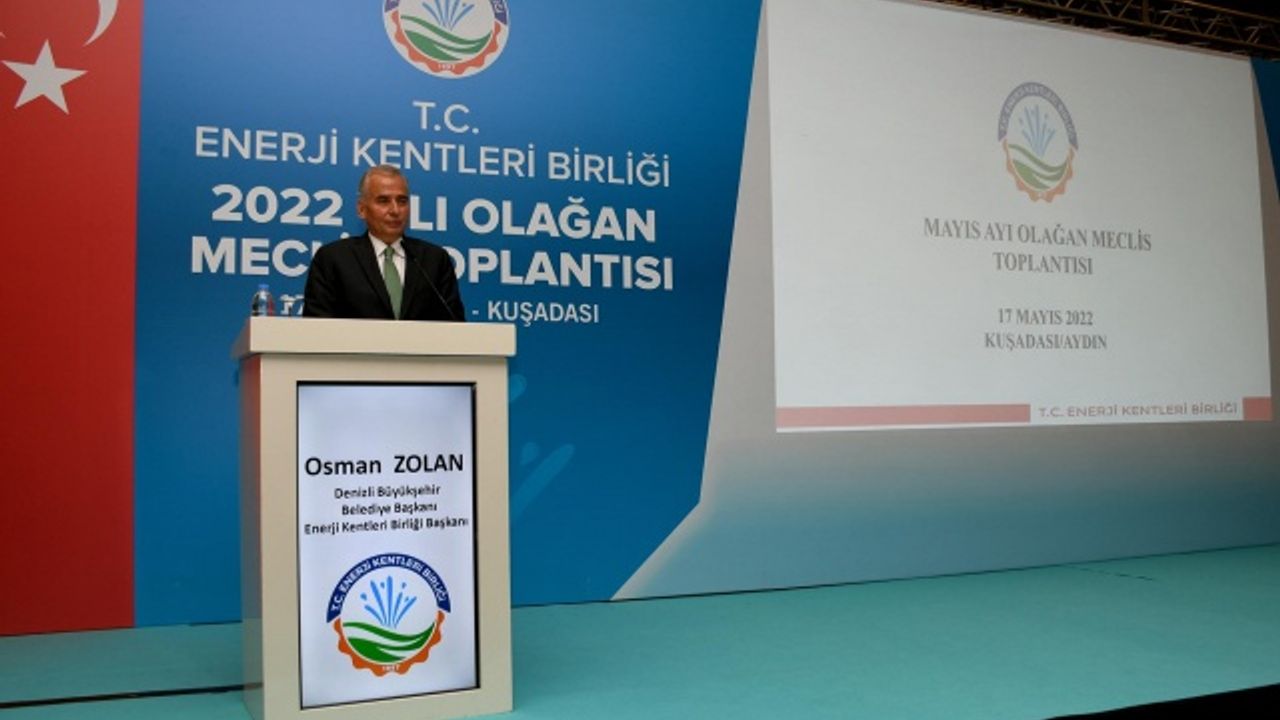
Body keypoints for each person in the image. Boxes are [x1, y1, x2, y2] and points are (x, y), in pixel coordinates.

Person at [303, 165, 465, 321]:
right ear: (361, 209)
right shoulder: (334, 259)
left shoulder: (434, 260)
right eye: (383, 201)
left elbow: (454, 326)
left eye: (402, 201)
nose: (395, 210)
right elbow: (316, 325)